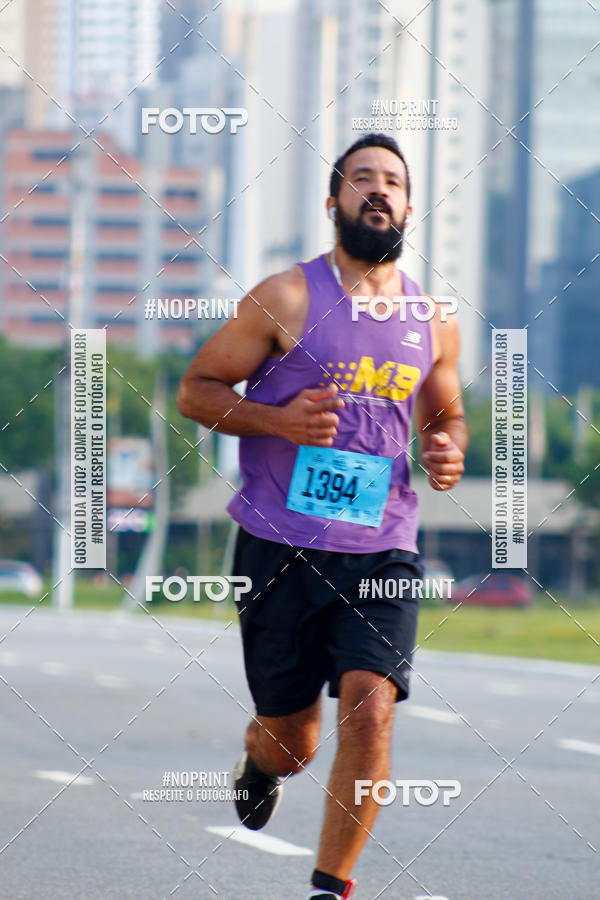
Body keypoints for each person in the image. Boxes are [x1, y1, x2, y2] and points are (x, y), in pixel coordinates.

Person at [177, 133, 468, 900]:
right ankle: (260, 758)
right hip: (280, 547)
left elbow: (448, 415)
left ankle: (329, 888)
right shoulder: (287, 297)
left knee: (371, 710)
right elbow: (196, 390)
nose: (379, 190)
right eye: (362, 179)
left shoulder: (433, 318)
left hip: (383, 549)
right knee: (293, 740)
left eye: (393, 182)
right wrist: (279, 423)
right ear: (334, 202)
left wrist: (446, 446)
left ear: (409, 205)